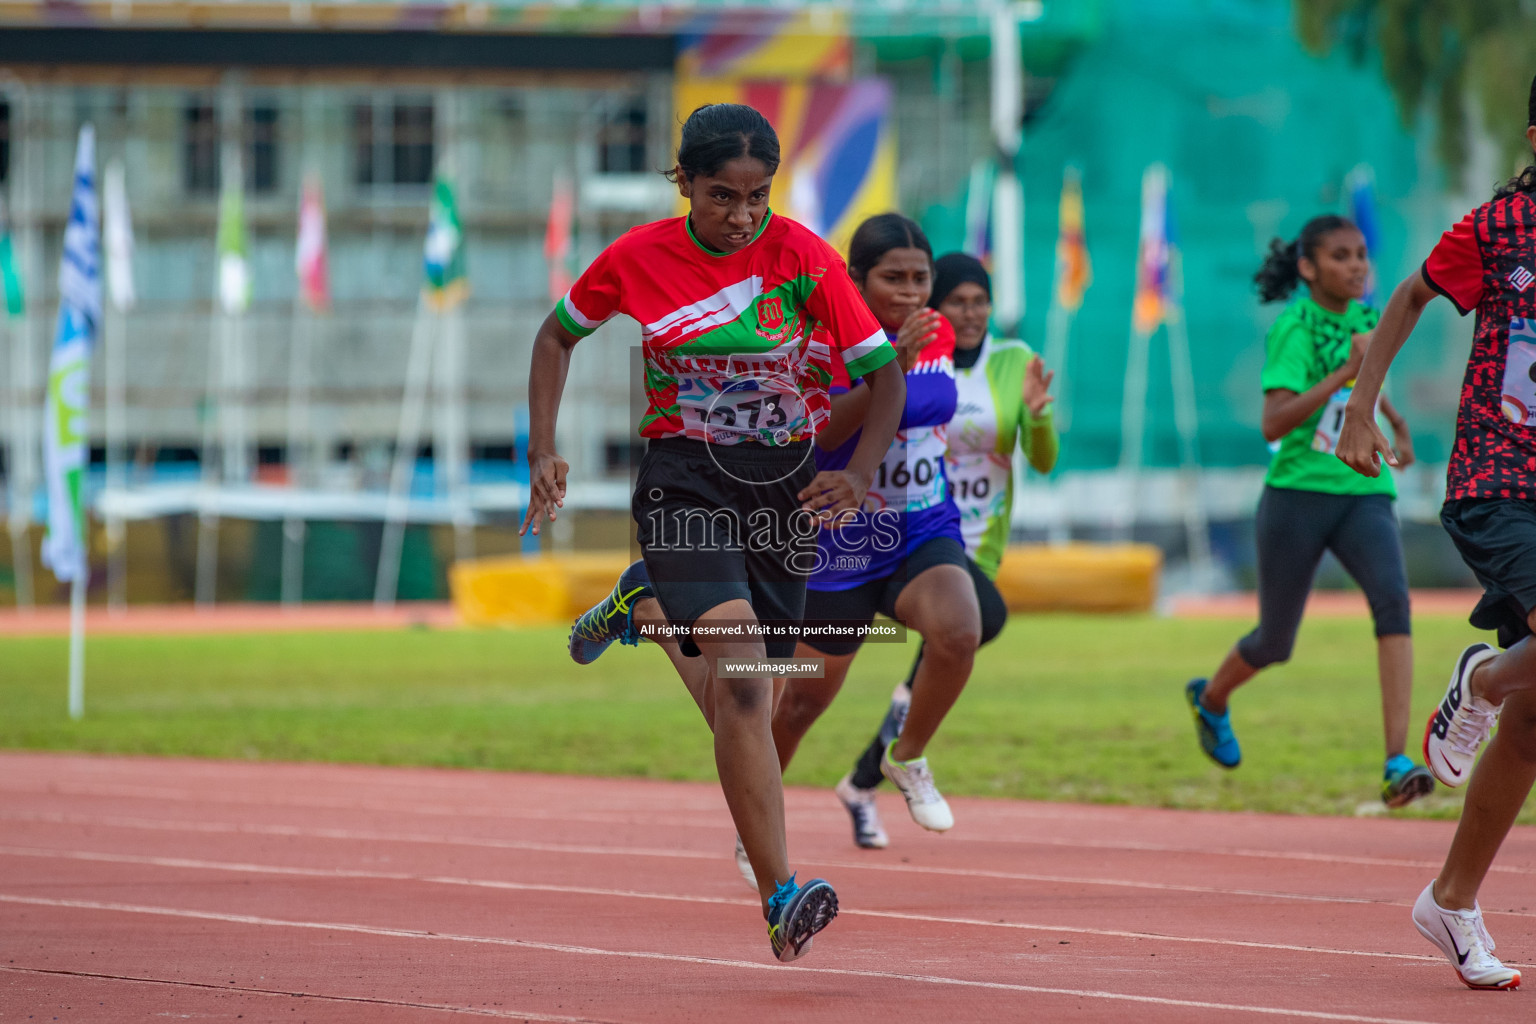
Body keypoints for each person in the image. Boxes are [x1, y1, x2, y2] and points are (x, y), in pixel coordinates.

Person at [524, 102, 905, 963]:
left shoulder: (803, 255)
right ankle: (781, 894)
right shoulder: (638, 258)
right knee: (740, 681)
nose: (740, 216)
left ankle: (647, 608)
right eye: (721, 197)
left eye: (756, 197)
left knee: (750, 699)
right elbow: (557, 336)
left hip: (783, 491)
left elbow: (883, 377)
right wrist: (544, 448)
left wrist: (859, 471)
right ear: (684, 184)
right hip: (683, 477)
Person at [1335, 76, 1536, 991]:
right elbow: (1410, 297)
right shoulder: (1496, 230)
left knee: (1533, 728)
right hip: (1499, 481)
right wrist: (1359, 411)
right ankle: (1480, 678)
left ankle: (1449, 902)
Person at [1183, 214, 1434, 810]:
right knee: (1275, 641)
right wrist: (1346, 371)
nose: (1356, 267)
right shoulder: (1294, 326)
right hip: (1296, 494)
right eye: (1340, 257)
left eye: (1361, 256)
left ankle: (1397, 761)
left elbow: (1369, 387)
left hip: (1364, 489)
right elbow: (1274, 421)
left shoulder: (1373, 317)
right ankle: (1211, 699)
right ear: (1308, 267)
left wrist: (1393, 421)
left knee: (1394, 605)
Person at [768, 215, 990, 851]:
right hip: (841, 544)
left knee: (961, 630)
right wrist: (890, 365)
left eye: (921, 279)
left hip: (922, 526)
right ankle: (760, 817)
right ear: (856, 280)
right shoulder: (819, 339)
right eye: (893, 278)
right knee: (802, 706)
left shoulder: (936, 330)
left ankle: (907, 754)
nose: (912, 293)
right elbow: (822, 436)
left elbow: (934, 411)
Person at [827, 251, 1059, 849]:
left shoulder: (1013, 361)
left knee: (955, 641)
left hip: (974, 542)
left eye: (981, 301)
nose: (972, 312)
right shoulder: (912, 353)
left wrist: (1035, 419)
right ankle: (866, 777)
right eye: (958, 302)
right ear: (938, 309)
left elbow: (1044, 458)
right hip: (902, 532)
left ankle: (871, 776)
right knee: (958, 633)